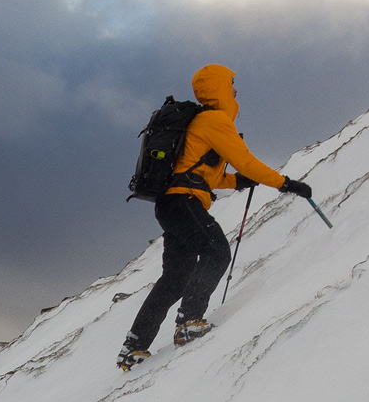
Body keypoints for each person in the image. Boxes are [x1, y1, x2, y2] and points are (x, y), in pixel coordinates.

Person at [119, 64, 313, 369]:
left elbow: (201, 174)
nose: (235, 90)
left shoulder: (201, 122)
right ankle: (189, 321)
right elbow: (246, 162)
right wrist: (286, 184)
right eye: (231, 84)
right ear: (219, 87)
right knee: (216, 252)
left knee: (175, 278)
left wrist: (236, 182)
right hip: (184, 203)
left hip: (171, 204)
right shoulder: (215, 120)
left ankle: (134, 346)